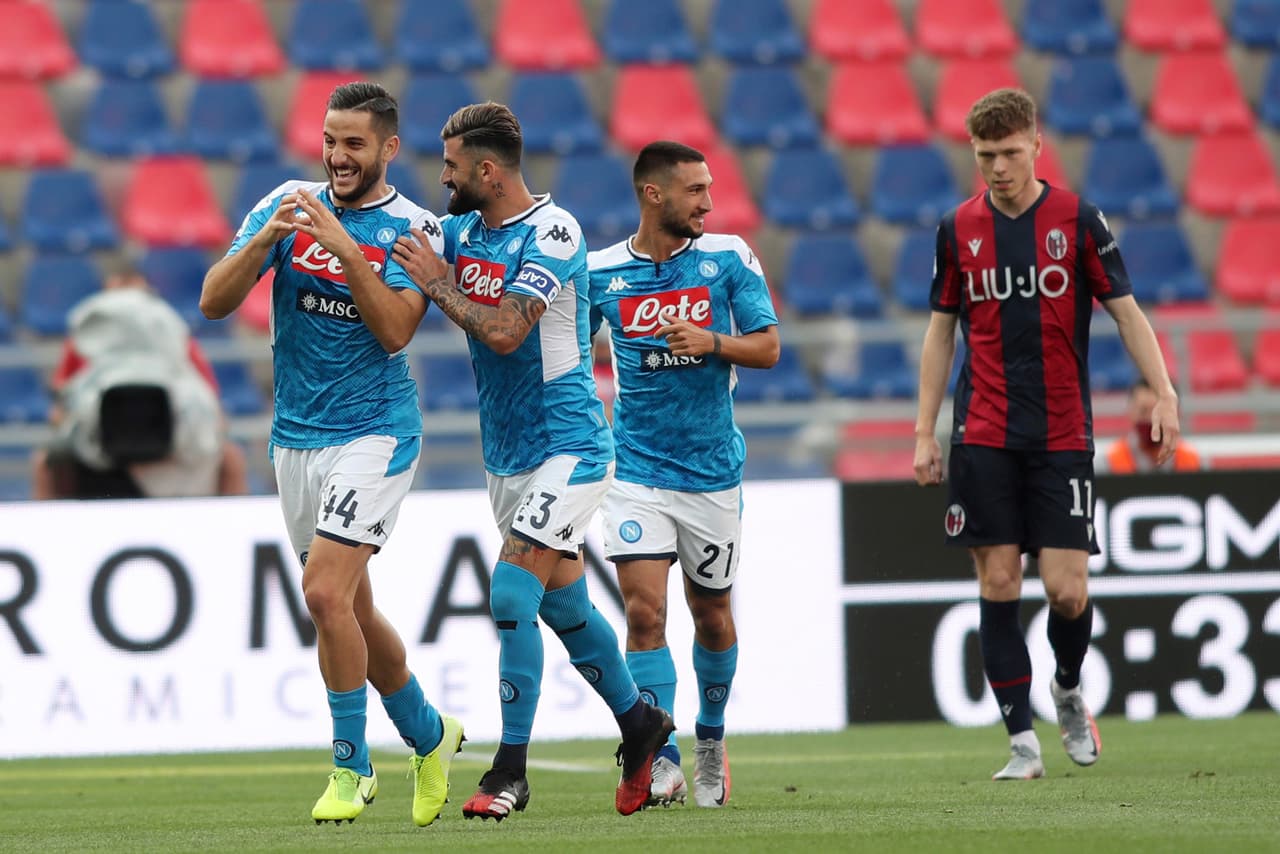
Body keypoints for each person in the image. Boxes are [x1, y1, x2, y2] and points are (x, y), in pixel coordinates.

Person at [391, 101, 673, 821]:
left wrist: (437, 281)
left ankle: (509, 771)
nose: (443, 178)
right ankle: (640, 723)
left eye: (452, 167)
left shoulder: (553, 231)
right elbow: (399, 234)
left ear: (487, 170)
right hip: (509, 457)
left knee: (511, 595)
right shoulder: (457, 231)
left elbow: (509, 331)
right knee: (564, 605)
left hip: (570, 445)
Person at [200, 81, 463, 827]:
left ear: (387, 149)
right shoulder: (286, 204)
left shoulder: (417, 230)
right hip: (297, 440)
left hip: (376, 433)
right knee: (347, 607)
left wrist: (345, 247)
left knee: (321, 594)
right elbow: (214, 303)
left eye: (354, 144)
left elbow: (394, 332)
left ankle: (350, 767)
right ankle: (429, 733)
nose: (337, 156)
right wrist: (264, 239)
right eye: (329, 140)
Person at [912, 88, 1180, 781]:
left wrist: (1165, 392)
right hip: (985, 430)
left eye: (1007, 153)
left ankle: (1066, 686)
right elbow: (940, 332)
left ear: (1035, 144)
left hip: (1062, 431)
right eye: (983, 156)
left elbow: (1127, 313)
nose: (996, 168)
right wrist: (924, 430)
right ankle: (1021, 743)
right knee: (1000, 580)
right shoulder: (957, 229)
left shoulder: (1078, 220)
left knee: (1066, 591)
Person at [586, 141, 780, 808]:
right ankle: (660, 754)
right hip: (635, 468)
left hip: (712, 472)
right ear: (653, 194)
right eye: (695, 189)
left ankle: (710, 740)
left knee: (713, 616)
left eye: (708, 188)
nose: (708, 200)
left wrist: (713, 342)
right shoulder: (601, 273)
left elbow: (770, 346)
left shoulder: (728, 257)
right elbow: (568, 353)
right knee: (644, 612)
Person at [31, 270, 248, 500]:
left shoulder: (176, 340)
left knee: (231, 458)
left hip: (176, 447)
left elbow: (212, 406)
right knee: (44, 463)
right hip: (97, 450)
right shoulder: (84, 340)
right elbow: (58, 409)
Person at [1099, 379, 1202, 473]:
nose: (1151, 419)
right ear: (1131, 411)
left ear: (1176, 413)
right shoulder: (1110, 461)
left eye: (1159, 412)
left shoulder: (1192, 460)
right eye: (1144, 411)